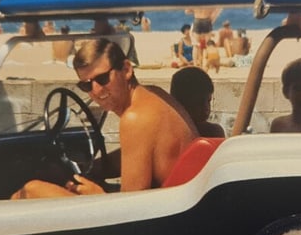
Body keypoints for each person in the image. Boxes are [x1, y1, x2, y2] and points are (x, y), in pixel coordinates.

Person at [11, 38, 198, 199]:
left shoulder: (135, 118)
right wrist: (89, 169)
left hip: (155, 227)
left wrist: (98, 195)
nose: (96, 91)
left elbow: (131, 210)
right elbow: (139, 154)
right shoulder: (153, 96)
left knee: (30, 190)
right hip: (175, 212)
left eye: (102, 79)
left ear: (126, 69)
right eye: (86, 86)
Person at [171, 66, 226, 139]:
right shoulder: (170, 134)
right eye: (199, 103)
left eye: (208, 101)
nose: (206, 108)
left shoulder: (212, 132)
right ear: (181, 103)